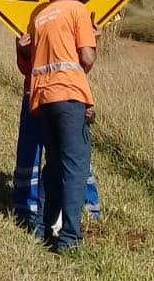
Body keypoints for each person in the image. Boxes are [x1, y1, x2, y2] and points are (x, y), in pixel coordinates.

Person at [16, 0, 97, 252]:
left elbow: (29, 63)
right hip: (69, 96)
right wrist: (93, 40)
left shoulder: (39, 18)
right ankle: (69, 239)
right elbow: (86, 58)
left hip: (42, 99)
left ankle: (40, 229)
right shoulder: (77, 9)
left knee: (52, 166)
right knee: (75, 167)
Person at [11, 29, 101, 235]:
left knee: (71, 159)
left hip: (68, 98)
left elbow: (84, 64)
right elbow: (25, 68)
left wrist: (91, 41)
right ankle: (28, 211)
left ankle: (87, 211)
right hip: (37, 95)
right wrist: (24, 51)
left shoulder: (75, 17)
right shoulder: (29, 20)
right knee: (33, 155)